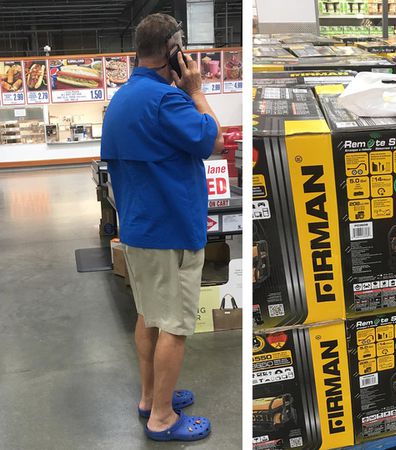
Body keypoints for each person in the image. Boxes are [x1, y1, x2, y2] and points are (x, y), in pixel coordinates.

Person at [101, 13, 223, 441]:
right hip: (171, 231)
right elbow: (214, 140)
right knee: (174, 325)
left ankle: (150, 397)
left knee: (149, 316)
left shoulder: (123, 99)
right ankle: (163, 418)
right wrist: (195, 90)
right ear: (174, 50)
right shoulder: (168, 101)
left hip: (139, 229)